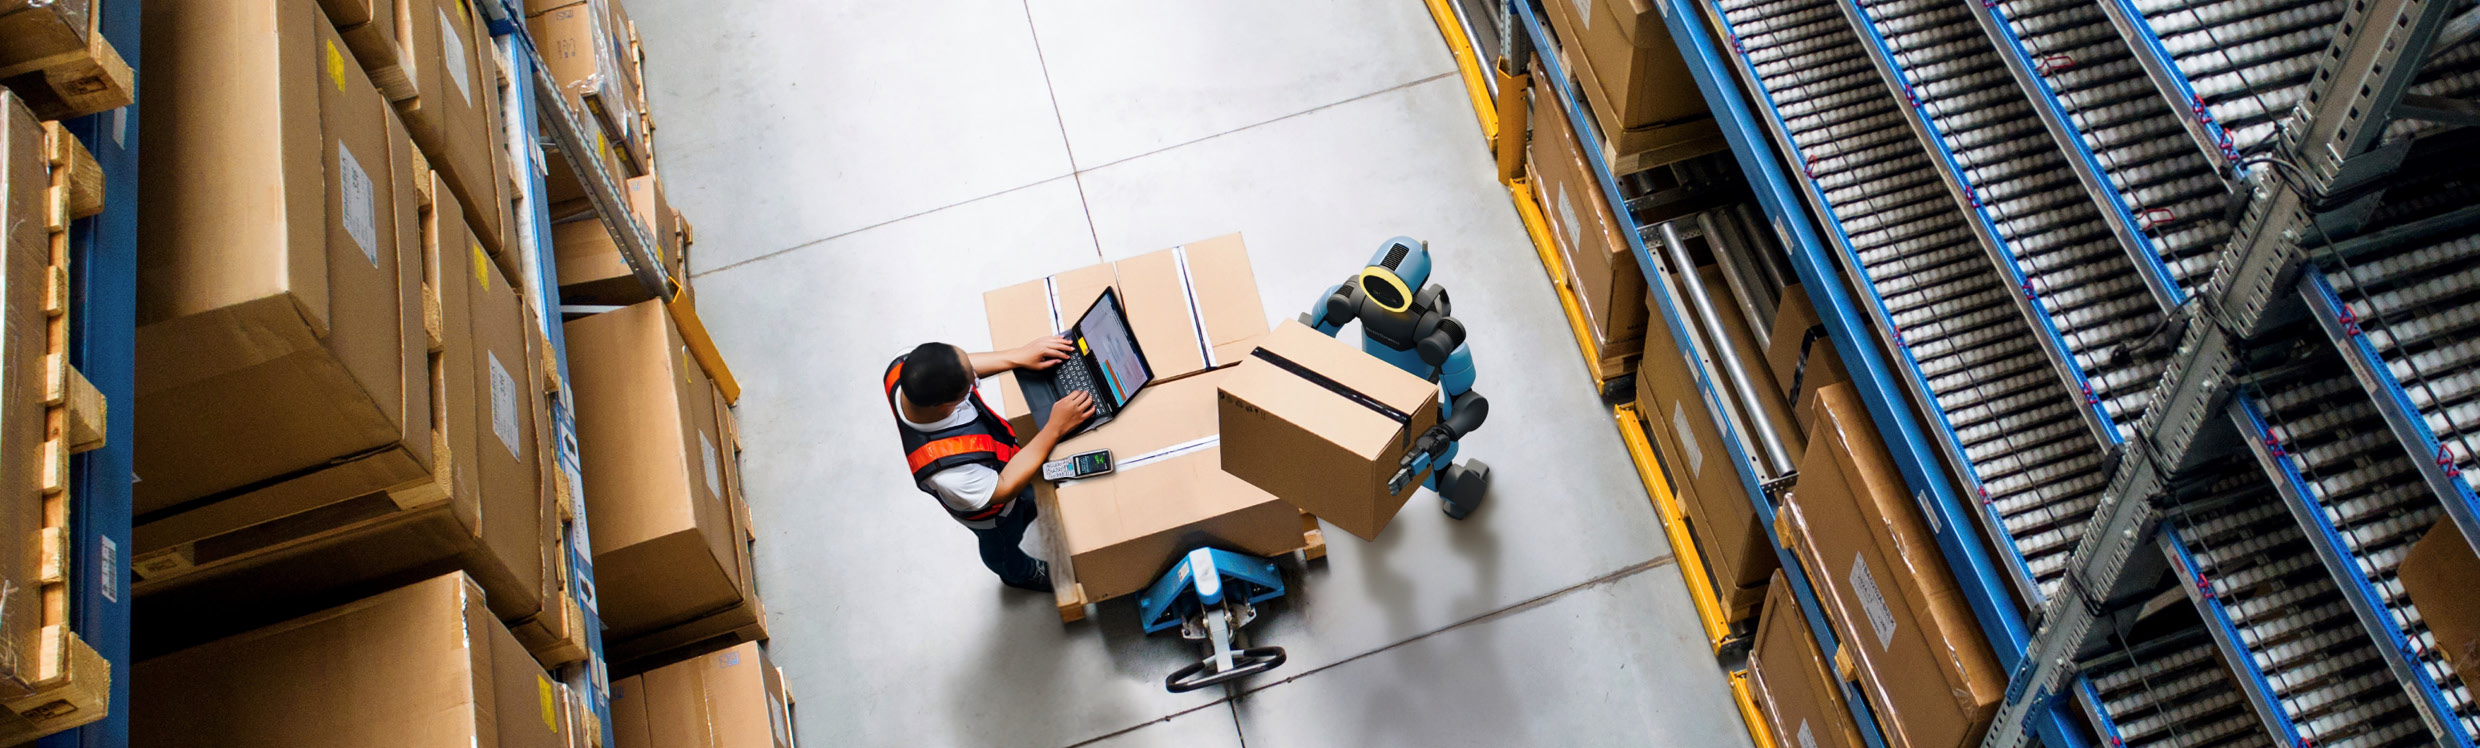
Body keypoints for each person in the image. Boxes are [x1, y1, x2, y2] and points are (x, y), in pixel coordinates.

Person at [882, 339, 1093, 592]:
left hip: (999, 458)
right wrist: (1055, 427)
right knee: (1002, 547)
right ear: (943, 405)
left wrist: (1018, 355)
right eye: (970, 381)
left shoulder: (905, 366)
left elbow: (963, 365)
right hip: (995, 512)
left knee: (1031, 497)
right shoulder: (950, 473)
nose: (975, 375)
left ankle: (1032, 508)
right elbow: (1003, 488)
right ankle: (1019, 575)